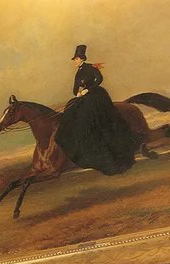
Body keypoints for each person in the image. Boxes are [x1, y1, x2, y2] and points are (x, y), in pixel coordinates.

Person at [55, 44, 142, 176]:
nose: (74, 61)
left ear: (81, 58)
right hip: (84, 96)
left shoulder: (91, 68)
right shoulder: (78, 72)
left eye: (76, 59)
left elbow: (99, 79)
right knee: (70, 108)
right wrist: (77, 93)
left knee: (91, 110)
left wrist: (88, 89)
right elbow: (74, 89)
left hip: (96, 94)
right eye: (74, 59)